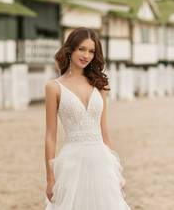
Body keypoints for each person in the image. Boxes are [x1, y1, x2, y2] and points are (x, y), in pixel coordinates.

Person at [44, 27, 131, 210]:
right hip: (71, 163)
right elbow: (50, 136)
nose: (87, 55)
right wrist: (50, 178)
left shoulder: (99, 85)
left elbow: (104, 132)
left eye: (91, 51)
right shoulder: (54, 87)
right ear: (71, 49)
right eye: (82, 49)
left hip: (101, 161)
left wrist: (116, 170)